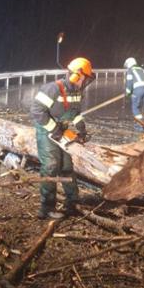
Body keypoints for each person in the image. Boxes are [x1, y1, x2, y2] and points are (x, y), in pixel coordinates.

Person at [29, 57, 94, 219]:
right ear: (77, 76)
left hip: (62, 130)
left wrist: (81, 130)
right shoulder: (53, 89)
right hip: (46, 130)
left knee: (66, 166)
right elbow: (37, 111)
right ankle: (46, 207)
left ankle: (73, 201)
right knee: (51, 166)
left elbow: (75, 113)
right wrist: (54, 129)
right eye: (85, 78)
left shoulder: (77, 92)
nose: (86, 81)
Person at [123, 57, 144, 131]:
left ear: (129, 64)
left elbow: (129, 83)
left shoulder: (130, 70)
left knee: (135, 108)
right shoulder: (141, 69)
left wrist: (128, 93)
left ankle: (140, 126)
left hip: (138, 90)